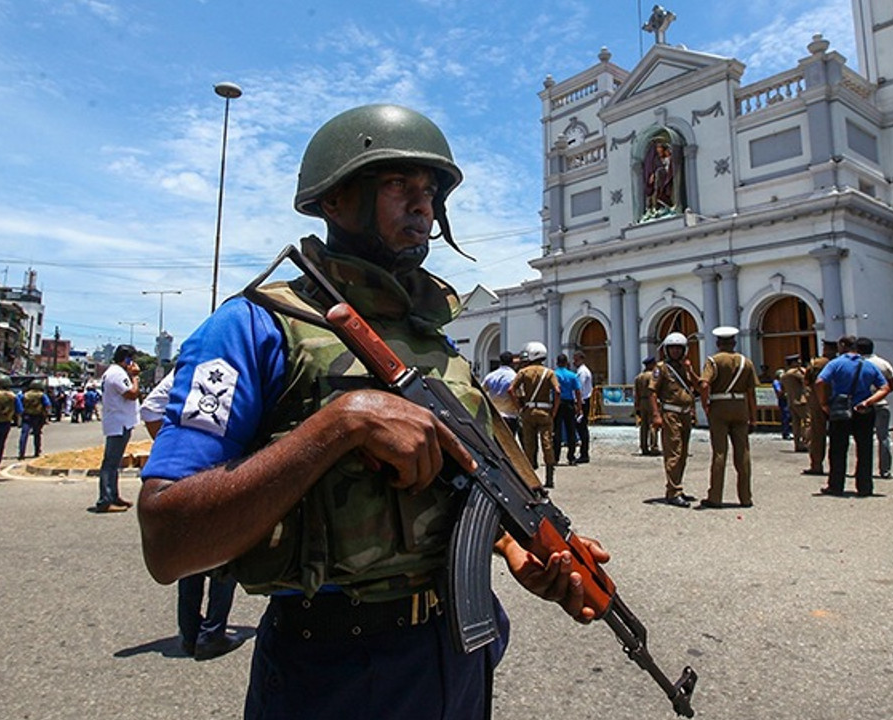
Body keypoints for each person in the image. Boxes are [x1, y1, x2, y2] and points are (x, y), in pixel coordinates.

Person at [137, 105, 605, 718]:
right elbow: (167, 541)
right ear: (335, 200)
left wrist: (510, 545)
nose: (425, 206)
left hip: (458, 652)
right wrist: (343, 422)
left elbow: (455, 485)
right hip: (334, 668)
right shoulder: (252, 328)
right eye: (398, 185)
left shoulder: (433, 340)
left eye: (431, 191)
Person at [141, 370, 243, 661]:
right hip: (222, 468)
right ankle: (212, 634)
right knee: (224, 556)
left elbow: (150, 407)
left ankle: (189, 633)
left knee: (193, 557)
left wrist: (170, 446)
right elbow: (149, 408)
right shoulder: (227, 361)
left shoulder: (190, 367)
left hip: (187, 472)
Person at [815, 335, 890, 497]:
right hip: (863, 410)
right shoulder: (869, 365)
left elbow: (820, 382)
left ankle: (836, 485)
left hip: (841, 410)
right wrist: (869, 402)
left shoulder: (835, 364)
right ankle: (864, 486)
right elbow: (884, 388)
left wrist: (823, 403)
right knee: (864, 449)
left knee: (838, 449)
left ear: (843, 346)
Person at [698, 327, 757, 508]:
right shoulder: (745, 362)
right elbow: (751, 392)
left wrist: (705, 403)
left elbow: (704, 383)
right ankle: (745, 497)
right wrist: (753, 417)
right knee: (743, 453)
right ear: (734, 343)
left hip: (719, 407)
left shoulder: (713, 361)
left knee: (719, 452)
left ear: (718, 343)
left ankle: (715, 496)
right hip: (740, 407)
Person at [651, 331, 699, 507]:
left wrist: (690, 370)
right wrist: (656, 415)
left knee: (683, 453)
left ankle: (677, 486)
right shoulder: (662, 368)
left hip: (685, 414)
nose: (675, 352)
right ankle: (673, 491)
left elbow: (697, 386)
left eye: (679, 349)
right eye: (672, 349)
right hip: (670, 414)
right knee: (673, 453)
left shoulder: (684, 368)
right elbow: (652, 392)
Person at [95, 344, 139, 513]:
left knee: (114, 463)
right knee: (110, 463)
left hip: (120, 421)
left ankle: (113, 495)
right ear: (126, 359)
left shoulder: (115, 372)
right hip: (119, 422)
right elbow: (131, 394)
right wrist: (135, 377)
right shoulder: (117, 374)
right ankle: (105, 500)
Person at [511, 341, 560, 487]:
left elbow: (511, 389)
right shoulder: (549, 373)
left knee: (529, 444)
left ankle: (529, 476)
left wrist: (518, 406)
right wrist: (554, 411)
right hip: (545, 411)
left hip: (528, 411)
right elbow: (557, 391)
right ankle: (549, 478)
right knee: (547, 443)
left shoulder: (523, 372)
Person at [856, 337, 893, 478]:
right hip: (881, 402)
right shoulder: (883, 363)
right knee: (883, 437)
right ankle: (885, 470)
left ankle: (863, 469)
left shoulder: (859, 364)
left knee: (862, 438)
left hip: (862, 404)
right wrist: (878, 394)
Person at [802, 340, 836, 476]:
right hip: (838, 400)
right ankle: (837, 465)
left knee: (817, 434)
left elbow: (807, 380)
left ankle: (816, 464)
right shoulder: (840, 362)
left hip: (818, 399)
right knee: (839, 434)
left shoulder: (818, 363)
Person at [553, 353, 582, 466]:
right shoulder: (572, 375)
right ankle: (571, 457)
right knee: (571, 430)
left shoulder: (554, 374)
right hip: (569, 403)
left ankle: (556, 457)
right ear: (566, 363)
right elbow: (578, 392)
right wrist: (579, 406)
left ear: (557, 362)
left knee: (557, 430)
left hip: (557, 403)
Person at [482, 351, 520, 437]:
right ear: (512, 363)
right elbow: (519, 395)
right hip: (510, 416)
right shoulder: (515, 377)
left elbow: (481, 391)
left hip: (494, 416)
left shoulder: (490, 376)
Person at [779, 354, 810, 452]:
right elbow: (806, 381)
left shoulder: (784, 375)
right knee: (808, 421)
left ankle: (797, 444)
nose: (799, 362)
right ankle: (806, 442)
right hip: (801, 401)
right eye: (797, 361)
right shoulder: (796, 373)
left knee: (796, 423)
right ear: (793, 363)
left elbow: (782, 389)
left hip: (791, 401)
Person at [18, 379, 52, 460]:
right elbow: (48, 405)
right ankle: (37, 451)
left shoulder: (24, 395)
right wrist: (47, 415)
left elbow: (19, 405)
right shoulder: (42, 395)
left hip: (26, 416)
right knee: (37, 434)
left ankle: (21, 453)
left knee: (24, 435)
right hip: (38, 416)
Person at [634, 358, 661, 456]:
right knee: (653, 424)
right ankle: (654, 446)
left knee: (643, 425)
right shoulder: (653, 376)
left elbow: (636, 393)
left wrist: (637, 405)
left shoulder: (639, 377)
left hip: (642, 401)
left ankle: (644, 446)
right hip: (651, 400)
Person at [573, 350, 593, 463]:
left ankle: (584, 454)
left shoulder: (582, 372)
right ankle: (583, 453)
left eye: (575, 359)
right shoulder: (581, 371)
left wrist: (578, 405)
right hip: (583, 401)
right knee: (581, 428)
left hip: (583, 402)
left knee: (582, 428)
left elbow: (579, 390)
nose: (574, 362)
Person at [773, 371, 791, 440]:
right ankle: (785, 433)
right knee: (785, 416)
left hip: (787, 399)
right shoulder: (776, 382)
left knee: (789, 416)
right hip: (782, 400)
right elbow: (779, 391)